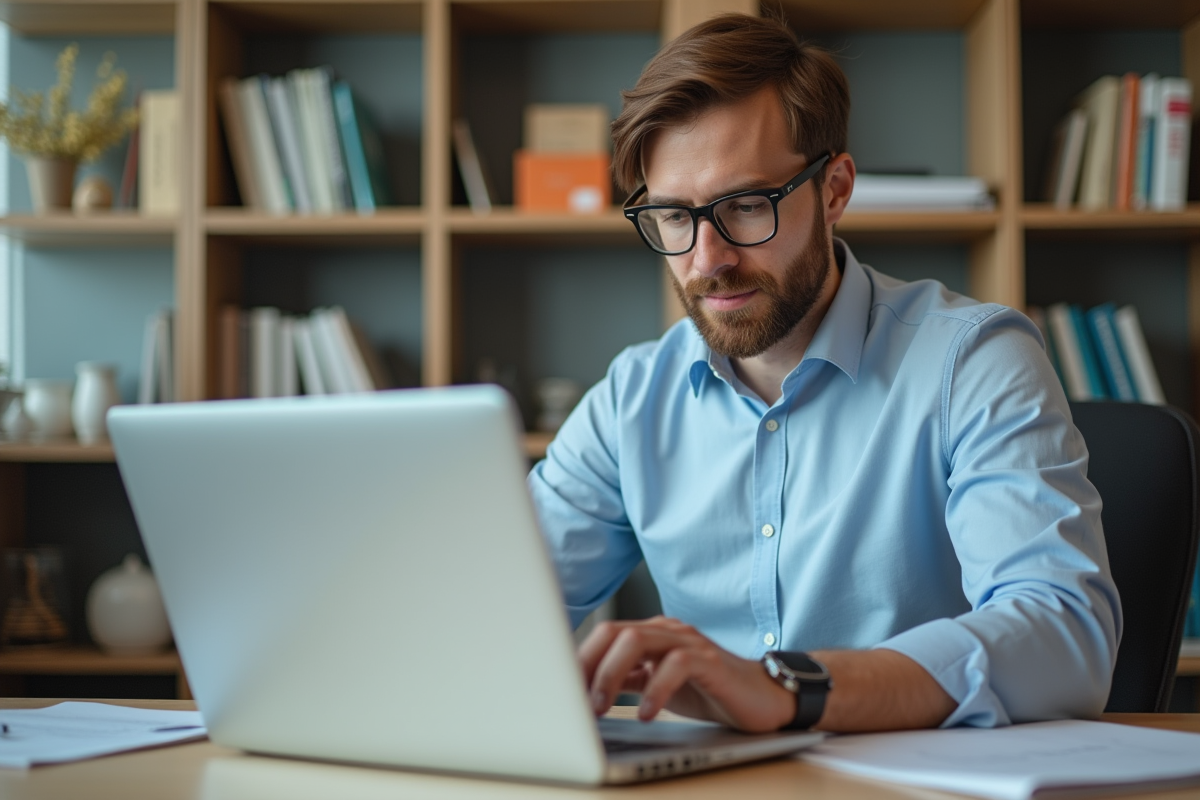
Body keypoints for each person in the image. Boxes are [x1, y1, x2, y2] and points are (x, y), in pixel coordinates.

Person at [527, 13, 1121, 734]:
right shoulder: (631, 402)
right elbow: (493, 608)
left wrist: (792, 690)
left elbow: (1066, 634)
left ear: (834, 189)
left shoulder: (973, 361)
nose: (706, 259)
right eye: (674, 217)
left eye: (747, 206)